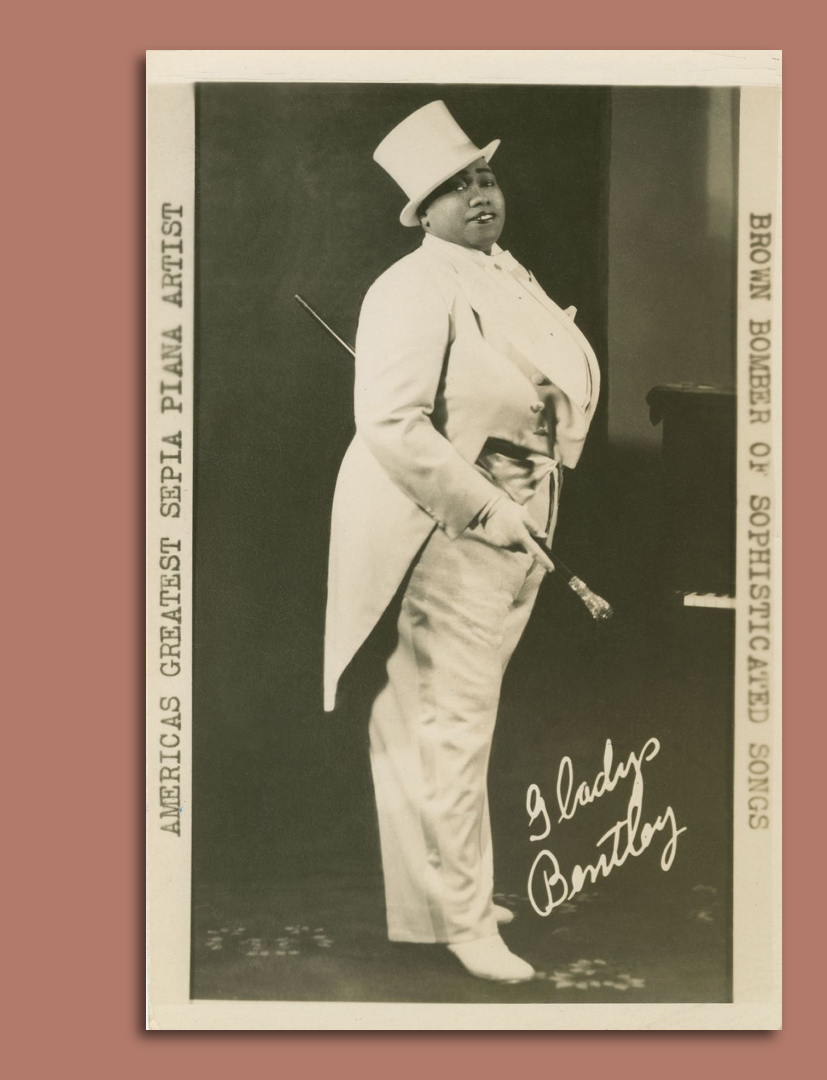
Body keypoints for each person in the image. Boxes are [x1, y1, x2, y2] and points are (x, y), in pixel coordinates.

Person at [321, 101, 602, 984]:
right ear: (423, 209)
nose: (478, 193)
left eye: (483, 176)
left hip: (521, 516)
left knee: (451, 715)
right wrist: (486, 510)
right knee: (441, 717)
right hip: (446, 526)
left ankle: (450, 894)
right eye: (454, 186)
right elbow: (392, 425)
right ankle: (458, 917)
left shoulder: (499, 270)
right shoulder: (409, 287)